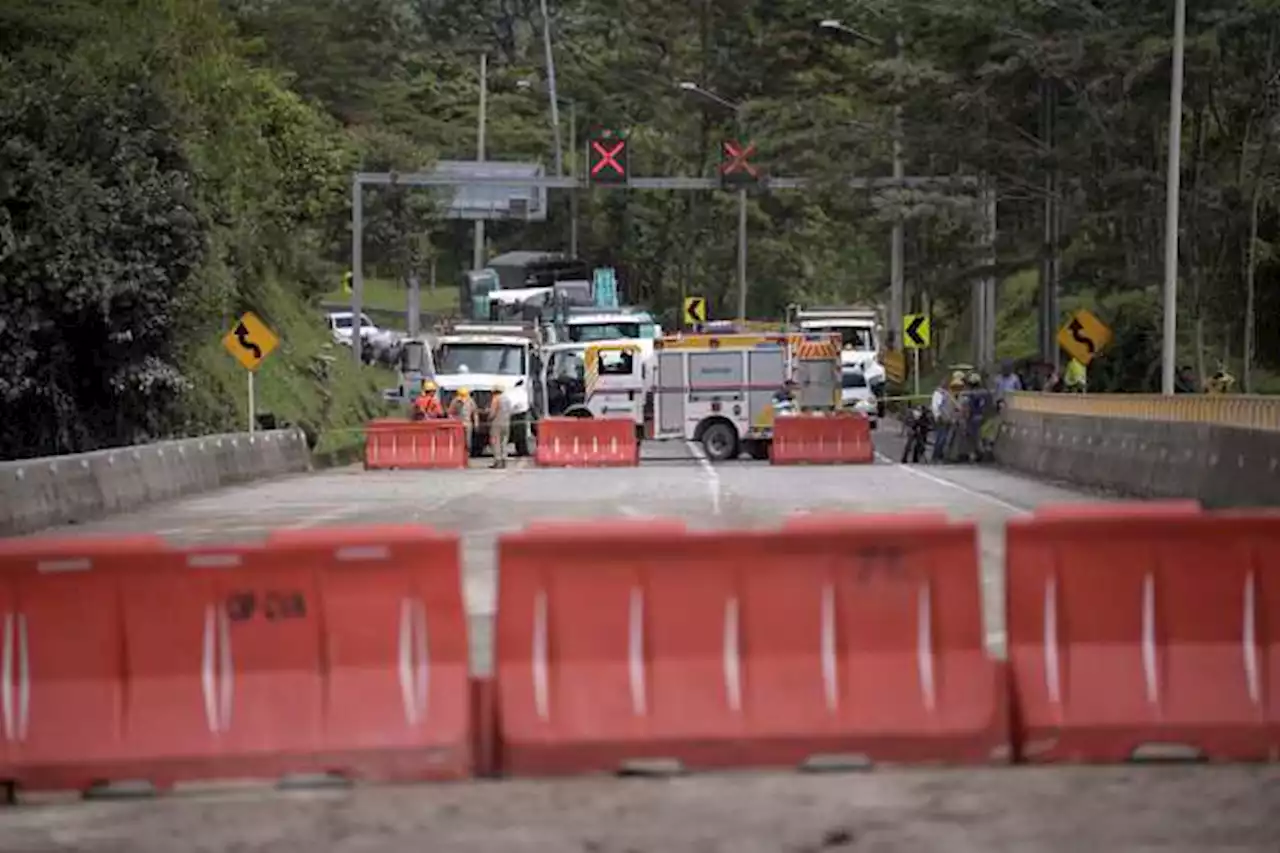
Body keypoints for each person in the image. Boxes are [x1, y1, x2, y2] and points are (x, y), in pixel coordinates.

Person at [930, 376, 959, 463]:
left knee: (945, 438)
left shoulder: (948, 393)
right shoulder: (938, 393)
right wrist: (937, 415)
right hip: (942, 418)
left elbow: (955, 405)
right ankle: (936, 455)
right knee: (941, 438)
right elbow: (935, 406)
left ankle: (940, 455)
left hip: (948, 418)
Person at [448, 387, 478, 455]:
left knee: (468, 441)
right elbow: (450, 413)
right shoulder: (455, 401)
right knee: (458, 441)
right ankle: (459, 454)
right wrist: (452, 421)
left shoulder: (470, 401)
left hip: (468, 423)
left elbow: (475, 413)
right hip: (458, 424)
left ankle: (467, 454)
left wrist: (476, 423)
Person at [487, 386, 512, 469]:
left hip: (497, 423)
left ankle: (498, 461)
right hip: (506, 423)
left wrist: (488, 418)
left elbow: (492, 413)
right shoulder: (508, 399)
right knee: (504, 442)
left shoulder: (496, 399)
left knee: (495, 442)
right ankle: (504, 460)